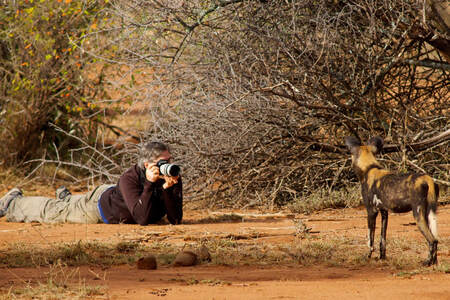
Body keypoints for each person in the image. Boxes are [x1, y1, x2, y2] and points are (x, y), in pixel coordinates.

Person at [0, 141, 182, 225]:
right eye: (162, 162)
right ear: (147, 164)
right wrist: (150, 184)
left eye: (169, 160)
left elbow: (175, 219)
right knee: (53, 212)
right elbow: (141, 218)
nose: (168, 165)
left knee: (70, 203)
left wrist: (168, 189)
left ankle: (68, 198)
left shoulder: (169, 177)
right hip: (98, 209)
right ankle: (13, 202)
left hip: (113, 195)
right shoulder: (130, 178)